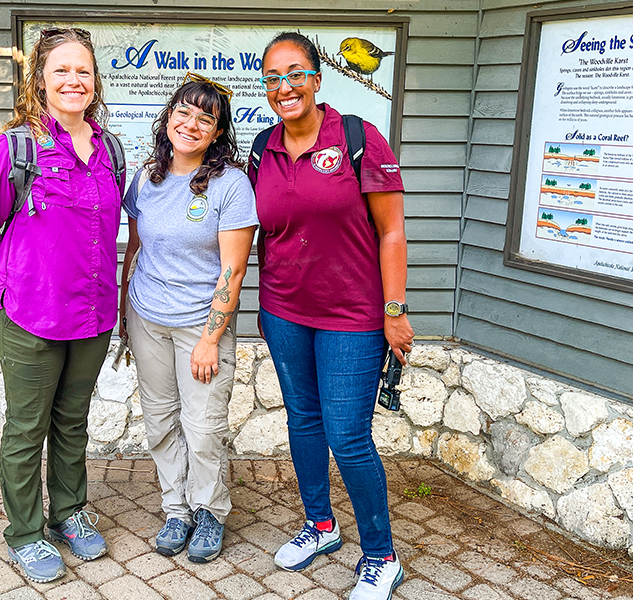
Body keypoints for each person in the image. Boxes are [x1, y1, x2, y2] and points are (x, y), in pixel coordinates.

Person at [248, 32, 413, 600]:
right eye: (272, 77)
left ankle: (381, 555)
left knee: (348, 437)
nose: (283, 86)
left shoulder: (358, 138)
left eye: (294, 73)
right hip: (285, 311)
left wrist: (394, 310)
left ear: (317, 79)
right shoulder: (261, 148)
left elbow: (392, 231)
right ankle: (320, 525)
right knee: (303, 421)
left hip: (353, 317)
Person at [0, 27, 122, 583]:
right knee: (27, 430)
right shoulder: (16, 149)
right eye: (61, 71)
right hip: (30, 318)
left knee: (72, 422)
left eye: (83, 70)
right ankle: (26, 532)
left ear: (94, 80)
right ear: (41, 80)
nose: (74, 81)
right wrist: (12, 285)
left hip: (93, 315)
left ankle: (69, 512)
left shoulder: (109, 150)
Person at [120, 73, 258, 563]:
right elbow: (135, 249)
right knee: (160, 420)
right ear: (169, 116)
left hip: (202, 324)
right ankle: (175, 508)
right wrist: (123, 314)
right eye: (184, 111)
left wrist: (209, 338)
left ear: (218, 132)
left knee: (202, 427)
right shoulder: (145, 178)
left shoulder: (231, 185)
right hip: (147, 318)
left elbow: (233, 269)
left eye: (206, 118)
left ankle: (209, 512)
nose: (192, 123)